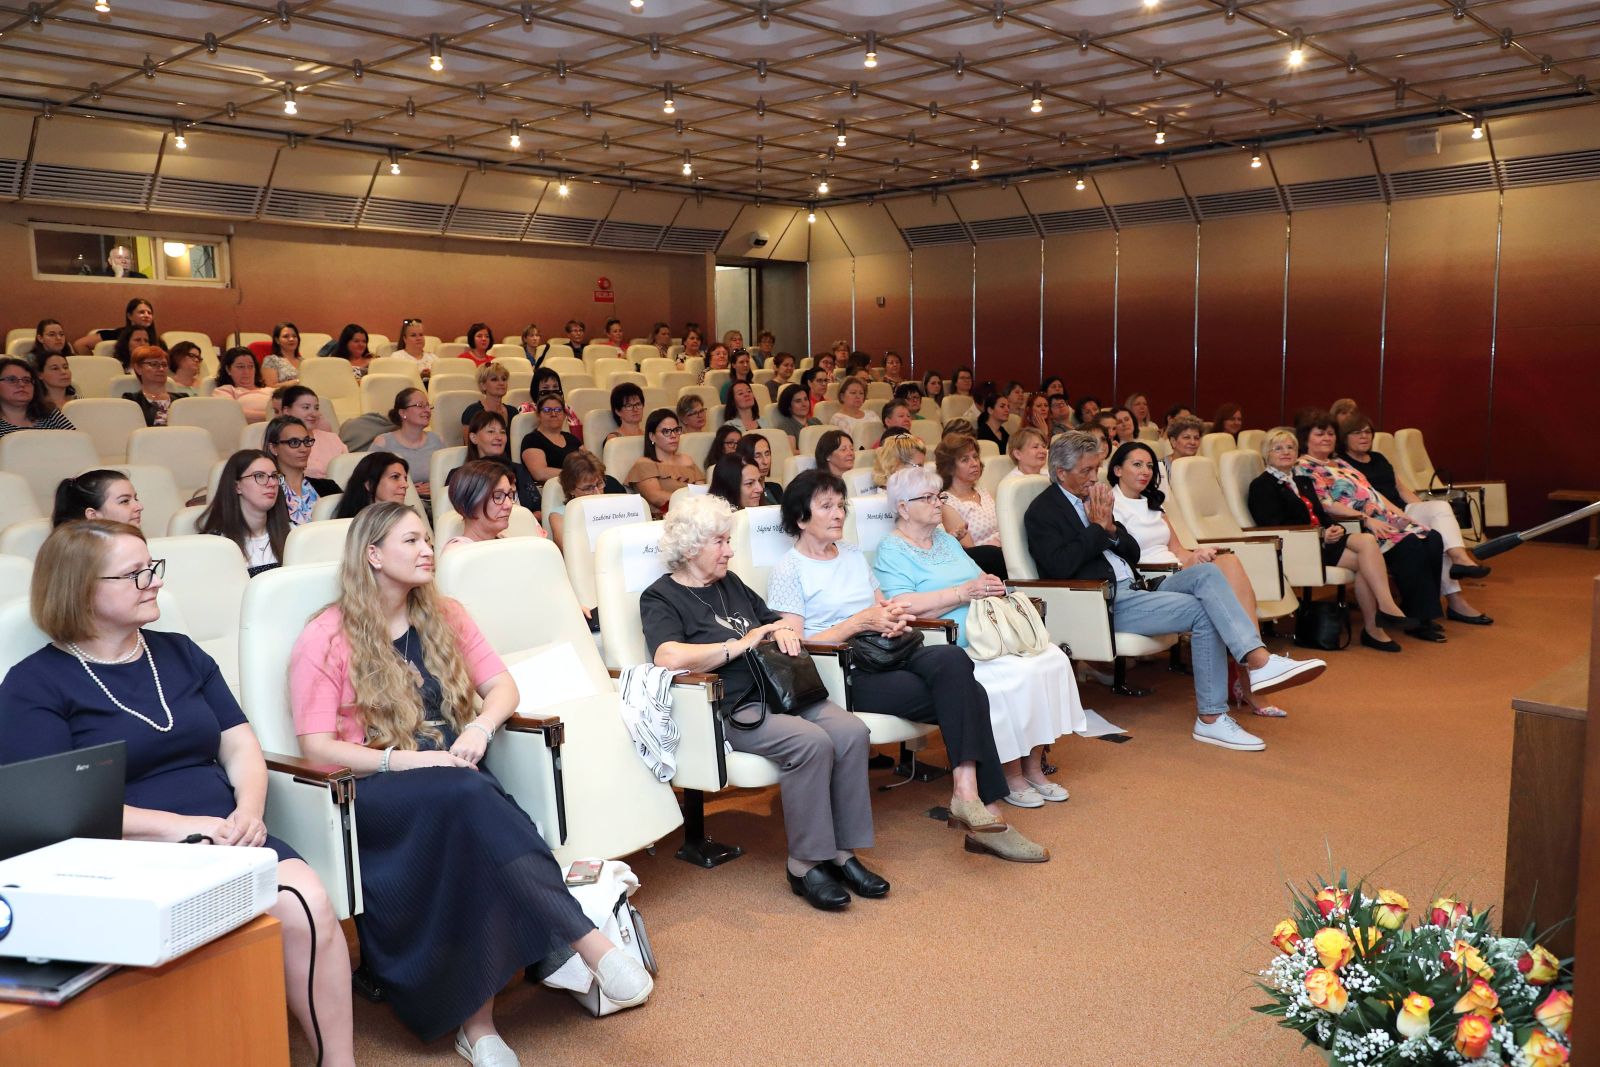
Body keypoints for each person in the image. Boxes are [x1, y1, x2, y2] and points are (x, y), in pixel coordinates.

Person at [290, 503, 651, 1060]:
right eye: (411, 541)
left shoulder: (446, 614)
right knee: (470, 797)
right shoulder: (327, 634)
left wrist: (481, 728)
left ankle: (477, 1026)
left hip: (456, 780)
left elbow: (503, 687)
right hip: (374, 789)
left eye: (427, 539)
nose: (427, 550)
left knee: (469, 827)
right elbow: (315, 747)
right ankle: (587, 942)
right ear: (373, 554)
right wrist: (407, 762)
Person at [0, 520, 356, 1066]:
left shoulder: (181, 653)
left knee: (307, 904)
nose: (153, 582)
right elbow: (59, 812)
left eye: (153, 568)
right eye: (135, 574)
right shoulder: (34, 684)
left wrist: (248, 810)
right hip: (125, 846)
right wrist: (180, 829)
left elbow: (240, 746)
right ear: (80, 588)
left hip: (228, 827)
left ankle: (338, 1061)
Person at [766, 469, 1049, 859]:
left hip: (888, 647)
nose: (838, 514)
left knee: (952, 659)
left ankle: (967, 794)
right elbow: (794, 645)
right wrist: (858, 623)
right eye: (826, 506)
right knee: (968, 694)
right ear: (800, 517)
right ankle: (986, 810)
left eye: (840, 505)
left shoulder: (849, 554)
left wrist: (892, 616)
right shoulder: (789, 569)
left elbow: (882, 602)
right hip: (845, 670)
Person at [641, 493, 883, 909]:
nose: (730, 550)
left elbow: (769, 617)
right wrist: (740, 644)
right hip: (732, 705)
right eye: (720, 541)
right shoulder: (661, 597)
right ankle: (805, 863)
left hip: (780, 689)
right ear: (692, 545)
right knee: (811, 742)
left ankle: (842, 853)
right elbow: (668, 656)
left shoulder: (729, 583)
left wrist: (779, 630)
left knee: (851, 731)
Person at [1024, 431, 1325, 752]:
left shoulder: (1093, 499)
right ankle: (1213, 716)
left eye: (1095, 468)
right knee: (1202, 612)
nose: (1093, 477)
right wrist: (1098, 529)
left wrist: (1110, 529)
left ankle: (1257, 660)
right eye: (1086, 471)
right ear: (1061, 473)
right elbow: (1060, 565)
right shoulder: (1043, 511)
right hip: (1102, 601)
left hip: (1136, 585)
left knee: (1208, 572)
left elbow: (1132, 551)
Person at [876, 465, 1081, 812]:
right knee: (1007, 679)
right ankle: (1010, 774)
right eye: (926, 498)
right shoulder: (891, 550)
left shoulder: (944, 539)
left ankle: (1033, 766)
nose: (937, 503)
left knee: (1048, 660)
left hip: (988, 633)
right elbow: (900, 605)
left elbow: (976, 577)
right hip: (946, 642)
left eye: (938, 495)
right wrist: (960, 593)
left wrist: (989, 584)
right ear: (903, 508)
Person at [1110, 441, 1287, 717]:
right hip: (1151, 581)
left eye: (1148, 465)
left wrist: (1199, 554)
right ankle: (1253, 672)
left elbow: (1178, 551)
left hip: (1177, 572)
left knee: (1227, 562)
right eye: (1136, 464)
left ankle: (1250, 669)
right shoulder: (1109, 505)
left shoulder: (1153, 505)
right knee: (1217, 578)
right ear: (1117, 469)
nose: (1145, 471)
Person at [1248, 428, 1420, 653]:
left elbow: (1321, 515)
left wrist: (1333, 529)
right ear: (1266, 454)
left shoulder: (1302, 480)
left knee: (1367, 543)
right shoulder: (1262, 486)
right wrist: (1321, 534)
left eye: (1290, 447)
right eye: (1278, 448)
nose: (1285, 452)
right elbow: (1272, 525)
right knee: (1364, 561)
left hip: (1320, 541)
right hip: (1296, 547)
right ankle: (1376, 624)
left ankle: (1382, 613)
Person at [1294, 412, 1451, 641]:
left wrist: (1404, 517)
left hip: (1381, 518)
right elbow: (1327, 505)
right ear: (1306, 438)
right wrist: (1367, 520)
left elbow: (1373, 493)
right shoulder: (1305, 467)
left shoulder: (1338, 462)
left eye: (1330, 433)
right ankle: (1418, 620)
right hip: (1354, 524)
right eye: (1319, 434)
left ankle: (1420, 612)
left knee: (1432, 538)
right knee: (1410, 546)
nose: (1326, 438)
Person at [1338, 412, 1492, 613]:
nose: (1364, 436)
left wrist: (1422, 512)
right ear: (1345, 437)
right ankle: (1456, 599)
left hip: (1403, 509)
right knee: (1436, 535)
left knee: (1440, 508)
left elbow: (1401, 490)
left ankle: (1459, 558)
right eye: (1357, 432)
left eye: (1368, 432)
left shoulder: (1378, 458)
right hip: (1381, 516)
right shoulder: (1343, 464)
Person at [199, 450, 289, 575]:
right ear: (237, 486)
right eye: (259, 476)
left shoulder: (293, 534)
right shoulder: (215, 545)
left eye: (274, 476)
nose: (272, 483)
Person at [934, 433, 1007, 579]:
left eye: (975, 457)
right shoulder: (947, 503)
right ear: (949, 467)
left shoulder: (983, 491)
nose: (974, 463)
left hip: (1006, 556)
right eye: (965, 460)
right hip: (985, 567)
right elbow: (973, 553)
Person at [627, 409, 704, 519]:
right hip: (663, 521)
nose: (673, 435)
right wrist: (694, 501)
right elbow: (657, 498)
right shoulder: (644, 464)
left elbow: (703, 492)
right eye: (666, 431)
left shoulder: (687, 460)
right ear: (652, 436)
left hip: (696, 516)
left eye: (676, 430)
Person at [373, 387, 445, 502]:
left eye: (428, 405)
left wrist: (436, 487)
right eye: (420, 405)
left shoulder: (437, 440)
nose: (427, 410)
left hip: (436, 503)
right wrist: (408, 491)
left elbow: (450, 478)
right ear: (403, 413)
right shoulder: (383, 443)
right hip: (400, 505)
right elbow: (371, 481)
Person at [265, 415, 338, 525]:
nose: (304, 449)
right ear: (273, 448)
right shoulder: (266, 491)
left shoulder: (329, 488)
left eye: (306, 441)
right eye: (294, 442)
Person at [444, 460, 533, 550]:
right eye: (498, 497)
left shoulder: (507, 542)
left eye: (510, 495)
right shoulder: (457, 554)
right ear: (467, 503)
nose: (509, 505)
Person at [547, 450, 624, 552]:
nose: (597, 493)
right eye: (588, 488)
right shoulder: (559, 516)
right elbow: (570, 552)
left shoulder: (617, 505)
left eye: (599, 484)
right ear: (571, 489)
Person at [276, 385, 347, 480]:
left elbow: (348, 470)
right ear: (287, 411)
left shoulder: (333, 438)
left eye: (316, 408)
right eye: (306, 407)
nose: (313, 413)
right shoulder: (280, 443)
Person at [0, 356, 75, 435]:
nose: (21, 384)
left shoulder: (51, 414)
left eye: (27, 380)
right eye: (12, 380)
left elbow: (77, 443)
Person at [122, 344, 189, 426]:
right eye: (154, 364)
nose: (161, 369)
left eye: (164, 365)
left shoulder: (183, 399)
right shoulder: (131, 400)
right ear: (138, 368)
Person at [51, 469, 143, 527]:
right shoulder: (84, 556)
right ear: (93, 516)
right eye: (125, 501)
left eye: (136, 499)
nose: (140, 507)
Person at [334, 452, 411, 520]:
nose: (405, 485)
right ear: (370, 485)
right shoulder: (350, 526)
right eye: (395, 477)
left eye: (405, 479)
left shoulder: (409, 519)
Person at [75, 297, 157, 355]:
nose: (147, 315)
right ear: (129, 316)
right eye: (141, 312)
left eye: (149, 313)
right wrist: (94, 364)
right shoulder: (117, 334)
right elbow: (80, 344)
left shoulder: (157, 340)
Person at [214, 345, 274, 422]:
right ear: (228, 369)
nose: (247, 372)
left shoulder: (271, 390)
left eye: (251, 366)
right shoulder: (225, 390)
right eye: (240, 367)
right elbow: (231, 413)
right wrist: (272, 416)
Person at [460, 363, 516, 438]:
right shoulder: (473, 412)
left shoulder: (513, 411)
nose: (501, 383)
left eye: (504, 379)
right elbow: (470, 446)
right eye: (494, 379)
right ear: (483, 385)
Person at [529, 367, 584, 441]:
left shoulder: (566, 409)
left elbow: (578, 439)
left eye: (555, 387)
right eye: (545, 388)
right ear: (536, 390)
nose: (551, 392)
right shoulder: (527, 408)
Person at [830, 376, 881, 444]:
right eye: (853, 393)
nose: (858, 396)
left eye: (861, 393)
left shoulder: (872, 415)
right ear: (842, 396)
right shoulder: (838, 419)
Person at [735, 432, 783, 505]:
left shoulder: (776, 488)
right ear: (744, 459)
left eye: (767, 454)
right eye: (757, 456)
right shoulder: (742, 493)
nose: (765, 461)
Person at [1163, 413, 1205, 481]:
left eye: (1196, 438)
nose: (1193, 442)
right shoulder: (1160, 468)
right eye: (1186, 437)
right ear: (1173, 441)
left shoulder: (1203, 466)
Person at [261, 322, 303, 387]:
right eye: (286, 336)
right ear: (277, 340)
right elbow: (271, 386)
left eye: (294, 336)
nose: (291, 339)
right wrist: (298, 381)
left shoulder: (303, 361)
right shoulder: (271, 360)